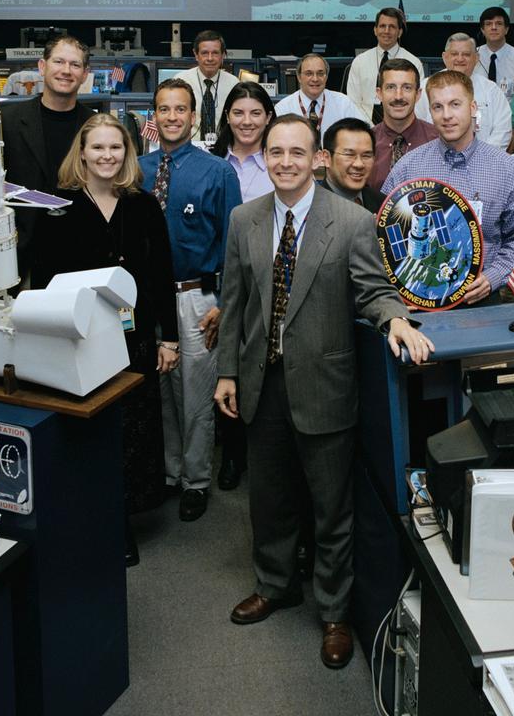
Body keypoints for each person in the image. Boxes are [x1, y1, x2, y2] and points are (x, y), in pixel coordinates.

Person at [215, 114, 433, 670]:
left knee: (331, 507)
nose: (286, 162)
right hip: (263, 383)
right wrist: (226, 373)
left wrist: (395, 319)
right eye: (276, 152)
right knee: (269, 500)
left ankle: (334, 612)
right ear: (265, 157)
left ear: (317, 159)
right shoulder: (244, 219)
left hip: (325, 387)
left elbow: (374, 289)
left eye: (297, 152)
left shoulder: (353, 221)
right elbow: (234, 303)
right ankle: (275, 584)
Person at [31, 114, 178, 565]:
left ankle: (122, 520)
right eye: (97, 147)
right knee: (88, 429)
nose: (107, 156)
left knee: (132, 428)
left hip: (134, 338)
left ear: (127, 152)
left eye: (116, 147)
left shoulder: (143, 205)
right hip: (82, 337)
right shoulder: (58, 207)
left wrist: (169, 339)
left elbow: (161, 274)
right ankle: (92, 516)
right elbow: (44, 278)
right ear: (82, 153)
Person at [139, 78, 242, 521]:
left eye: (181, 109)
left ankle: (195, 480)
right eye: (164, 109)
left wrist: (224, 302)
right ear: (154, 116)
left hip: (196, 296)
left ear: (194, 117)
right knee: (158, 391)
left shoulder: (218, 172)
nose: (172, 117)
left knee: (195, 393)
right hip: (145, 300)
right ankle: (168, 472)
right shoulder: (136, 170)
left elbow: (234, 244)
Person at [386, 70, 514, 305]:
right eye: (437, 107)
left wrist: (494, 277)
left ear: (472, 107)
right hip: (417, 300)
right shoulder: (408, 167)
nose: (446, 115)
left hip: (483, 298)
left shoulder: (508, 170)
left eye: (455, 104)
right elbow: (385, 231)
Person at [211, 81, 276, 491]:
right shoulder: (212, 163)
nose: (246, 121)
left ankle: (265, 455)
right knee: (228, 367)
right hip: (221, 283)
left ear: (268, 117)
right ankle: (232, 454)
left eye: (255, 113)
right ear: (227, 117)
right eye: (238, 113)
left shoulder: (278, 163)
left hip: (267, 281)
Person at [0, 35, 93, 283]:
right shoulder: (7, 121)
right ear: (42, 67)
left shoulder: (95, 126)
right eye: (59, 61)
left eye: (75, 64)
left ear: (85, 74)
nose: (66, 70)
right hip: (22, 258)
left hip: (80, 253)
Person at [415, 33, 512, 148]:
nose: (460, 59)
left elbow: (502, 131)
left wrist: (483, 156)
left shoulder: (491, 90)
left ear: (476, 58)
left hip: (483, 157)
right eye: (454, 54)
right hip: (435, 156)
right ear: (444, 57)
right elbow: (417, 127)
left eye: (466, 54)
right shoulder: (426, 87)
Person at [343, 7, 424, 122]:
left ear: (400, 32)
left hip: (401, 125)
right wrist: (368, 127)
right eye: (382, 26)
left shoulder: (414, 63)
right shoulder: (360, 61)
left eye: (392, 27)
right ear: (375, 30)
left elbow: (417, 103)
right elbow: (353, 102)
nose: (386, 31)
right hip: (364, 127)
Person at [368, 58, 437, 192]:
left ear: (418, 94)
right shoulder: (366, 143)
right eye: (391, 87)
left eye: (407, 88)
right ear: (379, 94)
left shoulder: (437, 140)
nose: (398, 96)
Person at [275, 54, 367, 139]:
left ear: (326, 77)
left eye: (320, 74)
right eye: (309, 74)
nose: (315, 79)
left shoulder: (343, 103)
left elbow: (362, 132)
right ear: (299, 77)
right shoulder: (283, 108)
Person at [176, 30, 239, 145]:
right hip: (189, 146)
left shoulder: (234, 84)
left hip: (223, 147)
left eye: (215, 53)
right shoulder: (181, 81)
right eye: (204, 53)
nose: (210, 58)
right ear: (196, 55)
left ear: (223, 55)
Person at [320, 118, 383, 212]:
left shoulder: (384, 205)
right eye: (349, 155)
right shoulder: (311, 208)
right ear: (326, 158)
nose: (359, 164)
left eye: (366, 156)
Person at [477, 6, 514, 101]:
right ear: (482, 30)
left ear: (506, 29)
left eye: (499, 24)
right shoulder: (472, 56)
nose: (493, 28)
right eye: (489, 24)